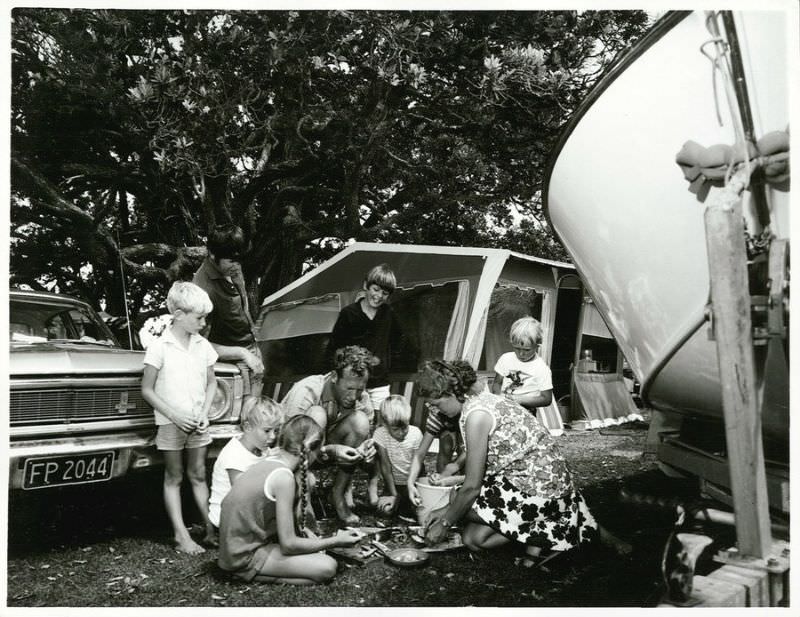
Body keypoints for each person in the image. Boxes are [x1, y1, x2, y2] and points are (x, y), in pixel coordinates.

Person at [411, 359, 625, 566]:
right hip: (546, 481)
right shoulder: (485, 400)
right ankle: (547, 527)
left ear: (451, 393)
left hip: (538, 488)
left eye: (436, 404)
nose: (436, 411)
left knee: (458, 499)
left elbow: (472, 486)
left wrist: (444, 523)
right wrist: (443, 513)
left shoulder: (476, 416)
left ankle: (552, 530)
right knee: (473, 539)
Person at [218, 415, 363, 585]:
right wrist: (335, 541)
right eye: (319, 449)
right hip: (243, 555)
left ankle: (251, 572)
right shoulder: (284, 478)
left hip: (232, 550)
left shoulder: (273, 461)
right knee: (327, 567)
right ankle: (245, 572)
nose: (318, 455)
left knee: (315, 559)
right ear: (310, 449)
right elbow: (288, 545)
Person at [141, 281, 219, 554]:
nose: (203, 322)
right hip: (170, 422)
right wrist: (174, 415)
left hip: (197, 422)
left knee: (198, 474)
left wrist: (204, 412)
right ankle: (181, 535)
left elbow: (212, 383)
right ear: (178, 315)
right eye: (199, 317)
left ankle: (210, 529)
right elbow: (146, 389)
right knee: (174, 476)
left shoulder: (203, 346)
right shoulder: (159, 346)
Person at [281, 345, 378, 524]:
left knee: (361, 421)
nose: (354, 396)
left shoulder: (362, 398)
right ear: (334, 377)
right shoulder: (306, 391)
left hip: (326, 449)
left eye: (360, 389)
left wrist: (367, 449)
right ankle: (303, 496)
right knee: (318, 414)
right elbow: (287, 447)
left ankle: (338, 494)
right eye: (349, 388)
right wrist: (331, 450)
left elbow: (367, 436)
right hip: (296, 455)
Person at [193, 224, 264, 397]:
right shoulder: (202, 289)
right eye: (231, 261)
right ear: (212, 254)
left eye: (239, 260)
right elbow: (197, 344)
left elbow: (241, 305)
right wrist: (242, 353)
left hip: (252, 353)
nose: (237, 266)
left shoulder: (233, 265)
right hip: (233, 366)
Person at [328, 263, 409, 411]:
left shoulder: (389, 314)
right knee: (357, 420)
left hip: (379, 383)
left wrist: (385, 360)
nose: (378, 296)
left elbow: (400, 340)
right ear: (366, 285)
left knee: (381, 421)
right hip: (354, 382)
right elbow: (335, 348)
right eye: (375, 289)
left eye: (384, 293)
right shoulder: (349, 313)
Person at [208, 396, 285, 529]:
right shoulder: (234, 454)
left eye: (276, 431)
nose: (273, 437)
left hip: (245, 512)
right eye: (267, 431)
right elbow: (242, 493)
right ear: (248, 427)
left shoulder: (261, 448)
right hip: (227, 520)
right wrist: (269, 465)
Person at [372, 395, 423, 518]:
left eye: (404, 427)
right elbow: (385, 466)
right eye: (395, 429)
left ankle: (406, 503)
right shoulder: (380, 434)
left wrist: (412, 485)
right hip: (394, 484)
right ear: (385, 424)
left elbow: (418, 462)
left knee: (420, 511)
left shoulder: (416, 433)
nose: (401, 433)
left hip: (415, 482)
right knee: (385, 510)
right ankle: (399, 500)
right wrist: (394, 494)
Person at [490, 316, 553, 413]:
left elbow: (547, 399)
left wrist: (519, 400)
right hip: (503, 407)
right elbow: (497, 383)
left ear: (537, 346)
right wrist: (498, 398)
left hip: (526, 411)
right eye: (517, 348)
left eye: (527, 350)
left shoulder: (541, 368)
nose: (521, 354)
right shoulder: (505, 359)